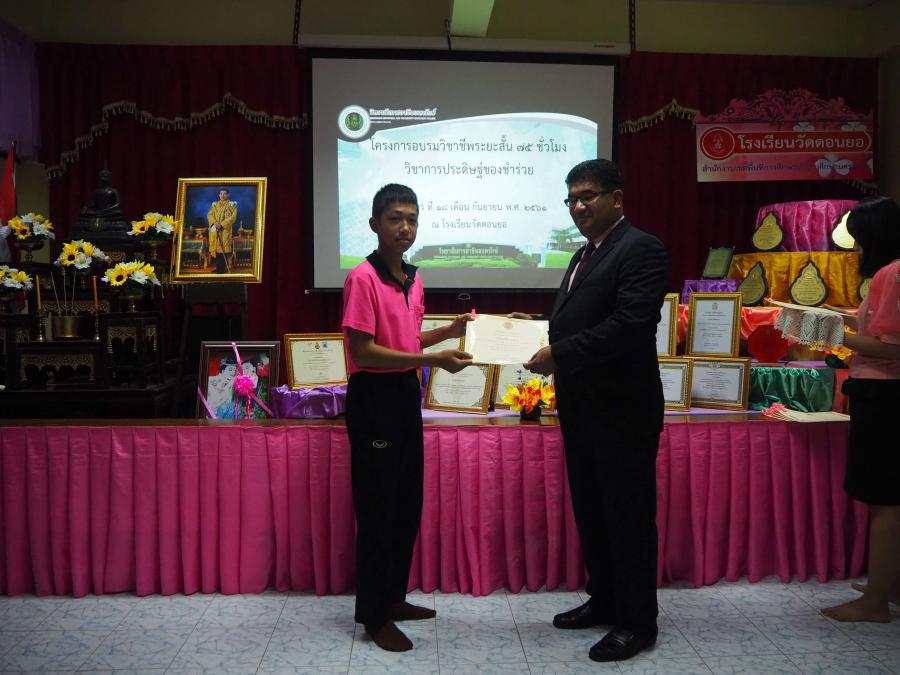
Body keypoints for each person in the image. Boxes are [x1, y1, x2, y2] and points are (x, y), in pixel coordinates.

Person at [523, 159, 668, 662]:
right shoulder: (583, 253)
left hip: (623, 411)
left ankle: (637, 622)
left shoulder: (641, 248)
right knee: (593, 514)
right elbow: (577, 319)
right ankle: (605, 599)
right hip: (582, 409)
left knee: (627, 518)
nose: (579, 206)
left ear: (617, 198)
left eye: (588, 196)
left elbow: (630, 325)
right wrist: (534, 331)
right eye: (572, 199)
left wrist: (559, 354)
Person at [342, 183, 474, 652]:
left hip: (403, 395)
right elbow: (364, 351)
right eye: (395, 218)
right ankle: (374, 615)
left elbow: (408, 339)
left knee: (404, 503)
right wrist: (433, 361)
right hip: (374, 398)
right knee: (377, 508)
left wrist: (450, 331)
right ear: (374, 224)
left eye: (412, 219)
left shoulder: (413, 277)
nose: (405, 227)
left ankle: (393, 598)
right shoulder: (362, 278)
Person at [820, 196, 900, 623]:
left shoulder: (892, 273)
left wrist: (830, 333)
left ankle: (875, 602)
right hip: (884, 393)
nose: (856, 248)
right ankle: (888, 585)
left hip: (883, 394)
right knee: (887, 496)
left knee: (884, 499)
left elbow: (891, 348)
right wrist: (843, 319)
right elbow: (879, 327)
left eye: (859, 238)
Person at [207, 188, 237, 273]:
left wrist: (222, 224)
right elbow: (210, 215)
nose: (222, 195)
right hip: (215, 229)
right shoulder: (214, 205)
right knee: (216, 249)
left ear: (228, 195)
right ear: (219, 195)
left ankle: (222, 269)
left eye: (224, 193)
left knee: (222, 249)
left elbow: (232, 217)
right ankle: (218, 268)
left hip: (224, 230)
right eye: (221, 194)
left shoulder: (232, 205)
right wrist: (215, 222)